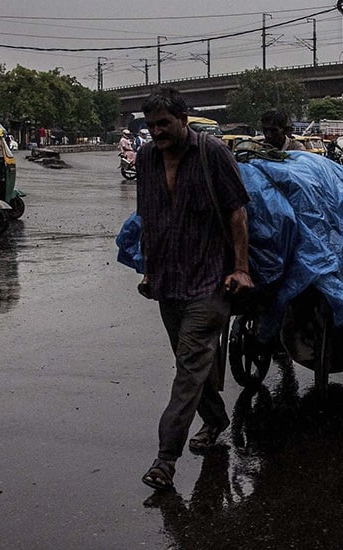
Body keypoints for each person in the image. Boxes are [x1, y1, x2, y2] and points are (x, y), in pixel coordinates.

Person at [136, 87, 254, 492]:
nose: (156, 132)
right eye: (150, 125)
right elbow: (148, 216)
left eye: (163, 124)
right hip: (168, 281)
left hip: (210, 280)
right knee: (192, 362)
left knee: (187, 368)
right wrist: (149, 269)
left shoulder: (211, 153)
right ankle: (216, 418)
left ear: (183, 119)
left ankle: (165, 459)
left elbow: (237, 210)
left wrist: (240, 268)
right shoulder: (147, 158)